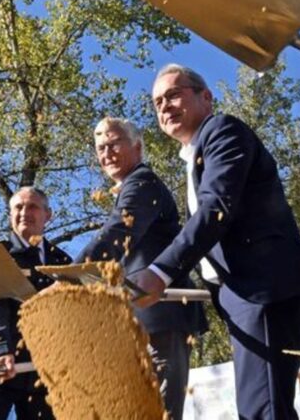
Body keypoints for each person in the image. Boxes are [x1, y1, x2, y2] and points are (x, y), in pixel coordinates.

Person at [131, 64, 300, 420]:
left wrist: (161, 271)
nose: (164, 107)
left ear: (205, 97)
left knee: (262, 410)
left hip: (262, 290)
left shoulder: (223, 130)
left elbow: (217, 208)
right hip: (240, 296)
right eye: (157, 103)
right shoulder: (194, 157)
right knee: (264, 407)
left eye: (173, 94)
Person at [77, 117, 207, 420]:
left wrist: (70, 277)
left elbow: (119, 232)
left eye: (113, 143)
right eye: (100, 147)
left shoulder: (142, 182)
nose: (106, 152)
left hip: (158, 318)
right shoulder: (129, 188)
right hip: (136, 323)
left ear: (137, 146)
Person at [0, 186, 72, 420]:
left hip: (42, 373)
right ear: (10, 215)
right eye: (18, 207)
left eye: (32, 207)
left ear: (48, 215)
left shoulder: (63, 262)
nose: (25, 213)